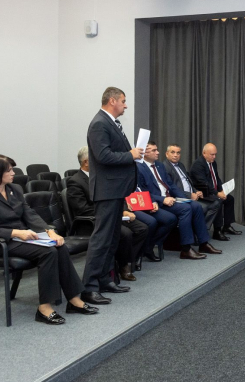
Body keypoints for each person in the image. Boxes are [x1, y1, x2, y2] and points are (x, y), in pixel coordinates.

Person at [0, 155, 98, 325]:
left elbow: (29, 214)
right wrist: (15, 232)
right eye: (9, 170)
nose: (13, 173)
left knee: (59, 246)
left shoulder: (14, 189)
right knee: (48, 252)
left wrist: (49, 231)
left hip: (22, 238)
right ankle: (44, 308)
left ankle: (74, 300)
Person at [83, 87, 143, 305]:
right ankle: (89, 288)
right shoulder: (99, 123)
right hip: (106, 190)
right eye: (123, 101)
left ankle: (104, 279)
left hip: (116, 190)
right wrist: (130, 155)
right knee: (101, 239)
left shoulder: (111, 123)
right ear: (112, 101)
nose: (125, 105)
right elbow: (103, 156)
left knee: (111, 238)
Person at [67, 146, 148, 283]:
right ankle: (123, 265)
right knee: (125, 234)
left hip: (113, 214)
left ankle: (125, 259)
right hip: (93, 221)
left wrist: (123, 210)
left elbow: (117, 196)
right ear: (86, 162)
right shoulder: (75, 181)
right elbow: (82, 209)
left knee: (142, 229)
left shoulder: (102, 176)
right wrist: (112, 212)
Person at [137, 141, 221, 259]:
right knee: (185, 209)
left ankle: (203, 243)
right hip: (157, 202)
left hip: (171, 199)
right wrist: (162, 199)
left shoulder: (159, 165)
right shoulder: (139, 168)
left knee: (196, 206)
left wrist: (183, 198)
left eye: (157, 149)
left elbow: (171, 185)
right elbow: (142, 192)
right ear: (145, 153)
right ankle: (186, 249)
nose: (158, 152)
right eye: (154, 150)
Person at [189, 143, 242, 241]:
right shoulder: (198, 165)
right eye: (212, 154)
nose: (214, 157)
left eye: (215, 154)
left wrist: (221, 190)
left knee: (230, 199)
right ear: (204, 153)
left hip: (212, 191)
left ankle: (227, 226)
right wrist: (218, 194)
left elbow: (217, 178)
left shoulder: (213, 162)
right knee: (218, 200)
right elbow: (204, 183)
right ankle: (217, 231)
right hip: (203, 193)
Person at [163, 144, 220, 230]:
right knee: (202, 207)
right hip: (180, 198)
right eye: (173, 152)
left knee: (215, 203)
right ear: (167, 154)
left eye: (178, 153)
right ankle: (199, 230)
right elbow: (172, 189)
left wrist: (196, 191)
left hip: (192, 194)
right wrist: (190, 195)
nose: (176, 155)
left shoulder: (180, 165)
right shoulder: (164, 167)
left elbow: (188, 182)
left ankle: (201, 229)